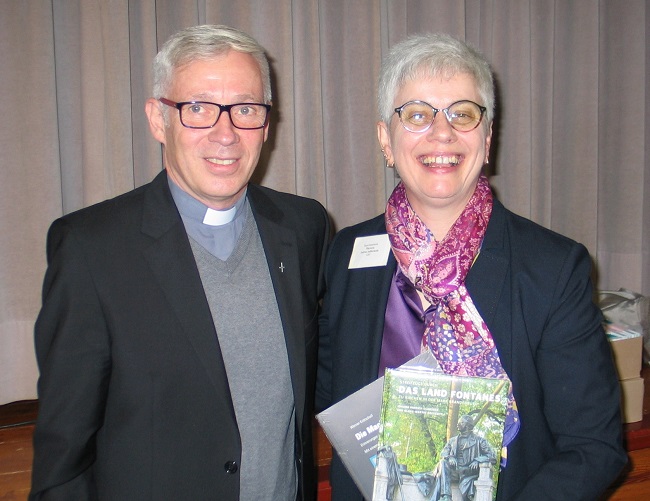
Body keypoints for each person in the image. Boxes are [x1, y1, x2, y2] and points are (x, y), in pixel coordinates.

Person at [316, 32, 626, 500]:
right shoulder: (347, 253)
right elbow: (330, 392)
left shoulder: (553, 268)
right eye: (417, 114)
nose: (442, 133)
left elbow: (594, 447)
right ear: (385, 138)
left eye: (462, 114)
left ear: (487, 137)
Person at [30, 24, 329, 501]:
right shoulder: (90, 249)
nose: (225, 133)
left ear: (266, 124)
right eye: (199, 108)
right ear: (157, 119)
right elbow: (63, 461)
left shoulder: (303, 226)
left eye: (246, 109)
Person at [436, 415, 495, 501]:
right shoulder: (452, 440)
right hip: (455, 470)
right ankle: (446, 496)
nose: (458, 424)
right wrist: (450, 457)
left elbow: (492, 455)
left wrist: (477, 460)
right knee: (443, 463)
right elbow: (443, 453)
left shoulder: (479, 440)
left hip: (469, 470)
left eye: (461, 422)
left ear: (468, 425)